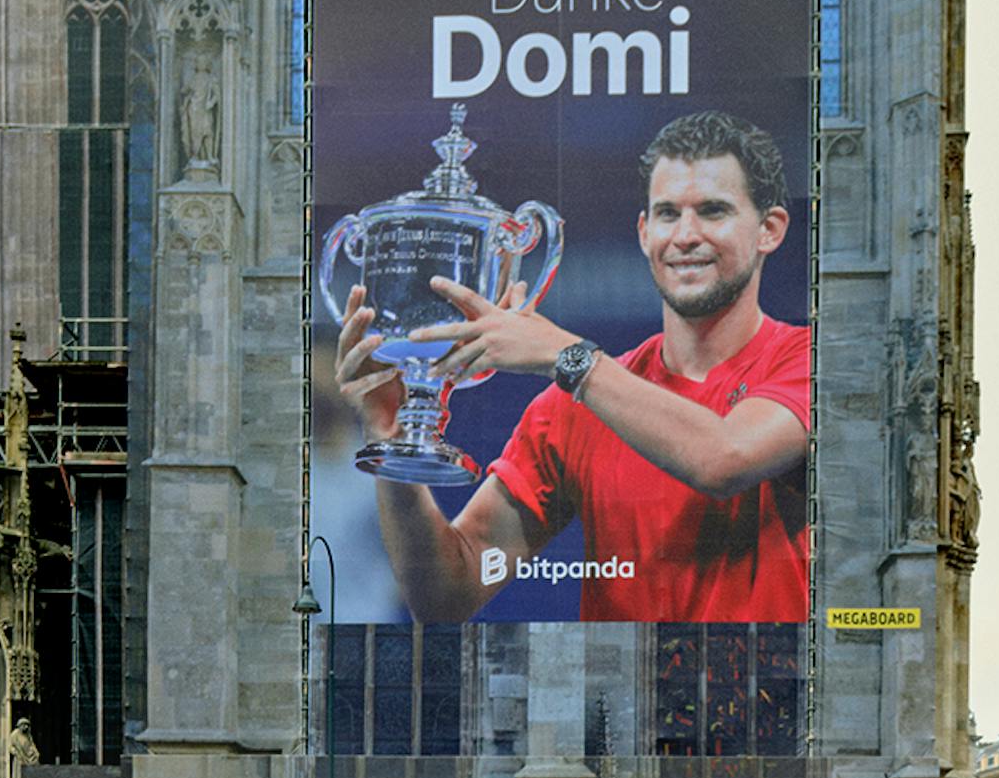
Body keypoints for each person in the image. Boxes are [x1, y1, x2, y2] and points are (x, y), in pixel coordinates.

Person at [335, 110, 809, 623]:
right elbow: (450, 590)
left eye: (713, 212)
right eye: (668, 214)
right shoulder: (574, 407)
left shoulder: (807, 362)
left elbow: (724, 459)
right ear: (645, 231)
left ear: (769, 229)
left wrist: (568, 357)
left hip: (771, 697)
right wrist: (393, 445)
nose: (685, 235)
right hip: (622, 702)